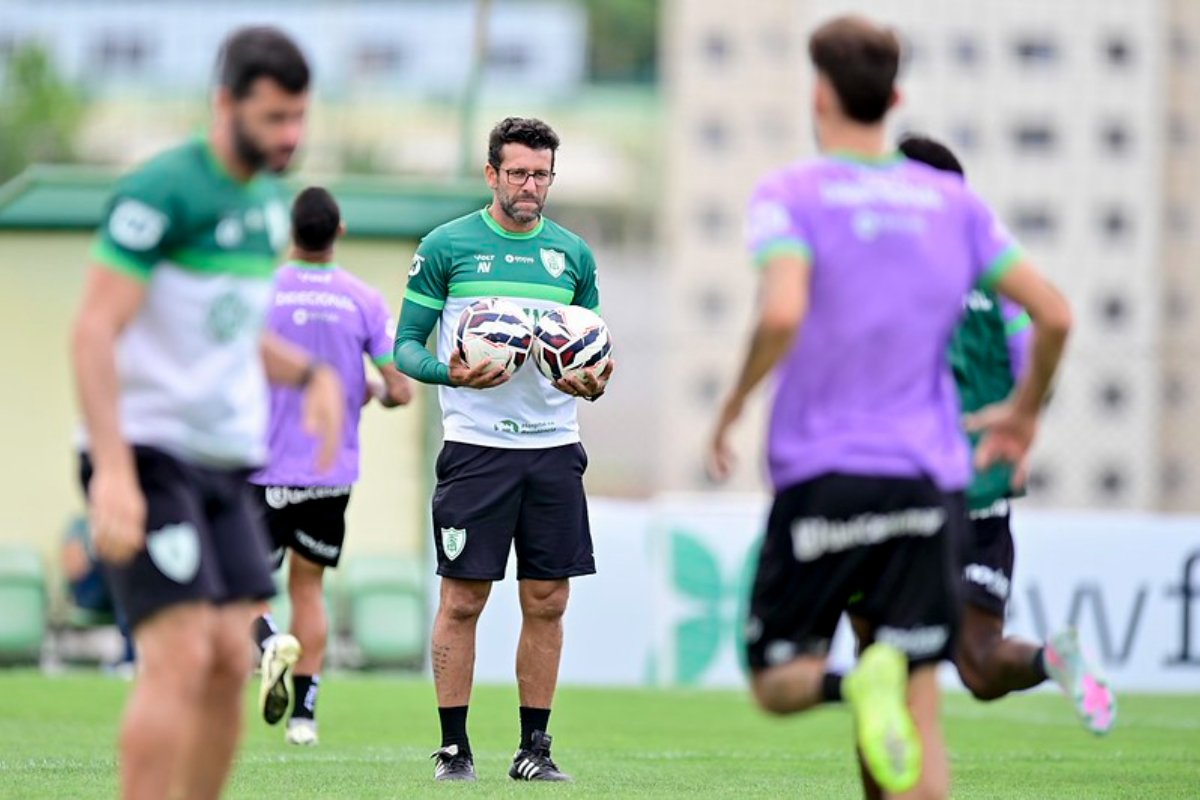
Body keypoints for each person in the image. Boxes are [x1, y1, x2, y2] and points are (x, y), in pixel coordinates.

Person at [707, 16, 1072, 799]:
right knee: (920, 697)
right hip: (927, 486)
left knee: (779, 679)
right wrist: (1024, 412)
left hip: (824, 473)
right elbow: (1056, 315)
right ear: (896, 97)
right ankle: (880, 684)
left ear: (819, 96)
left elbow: (779, 313)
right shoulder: (954, 206)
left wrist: (734, 404)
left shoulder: (793, 192)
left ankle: (849, 685)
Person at [71, 27, 343, 800]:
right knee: (182, 655)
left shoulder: (265, 207)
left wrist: (315, 375)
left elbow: (232, 333)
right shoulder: (161, 193)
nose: (290, 136)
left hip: (225, 465)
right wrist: (114, 472)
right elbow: (93, 330)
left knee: (235, 658)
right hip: (147, 456)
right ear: (224, 104)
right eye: (273, 119)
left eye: (298, 118)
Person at [393, 116, 613, 782]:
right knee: (463, 599)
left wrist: (593, 380)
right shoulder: (446, 246)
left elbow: (594, 349)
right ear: (491, 174)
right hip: (475, 448)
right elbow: (403, 345)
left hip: (553, 450)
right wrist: (449, 372)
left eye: (541, 173)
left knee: (547, 599)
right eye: (517, 172)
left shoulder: (572, 256)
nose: (530, 185)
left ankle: (534, 750)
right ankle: (454, 748)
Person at [250, 186, 413, 746]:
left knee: (246, 585)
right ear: (338, 230)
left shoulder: (261, 291)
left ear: (290, 231)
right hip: (330, 469)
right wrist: (372, 389)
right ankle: (304, 719)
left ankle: (268, 641)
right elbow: (400, 390)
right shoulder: (362, 299)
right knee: (309, 588)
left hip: (261, 465)